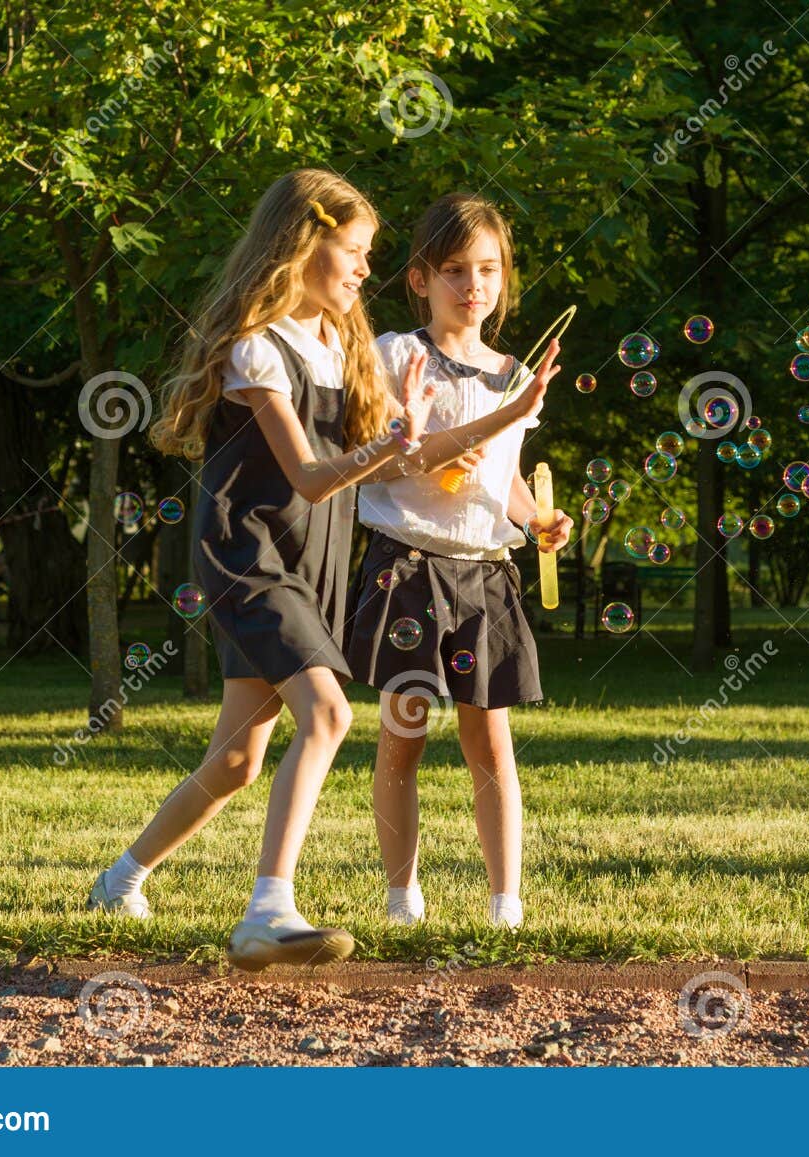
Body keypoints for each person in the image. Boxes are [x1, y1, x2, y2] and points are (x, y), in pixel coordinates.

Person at [87, 169, 552, 970]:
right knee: (330, 715)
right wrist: (395, 442)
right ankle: (268, 908)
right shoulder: (256, 349)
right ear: (302, 246)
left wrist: (426, 433)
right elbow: (311, 476)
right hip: (253, 557)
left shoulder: (339, 345)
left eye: (371, 254)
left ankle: (119, 880)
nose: (367, 269)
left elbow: (388, 465)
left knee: (235, 759)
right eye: (355, 251)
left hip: (317, 568)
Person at [348, 192, 572, 931]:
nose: (472, 285)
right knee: (402, 734)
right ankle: (401, 896)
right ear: (419, 278)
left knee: (491, 742)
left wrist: (537, 519)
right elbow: (387, 461)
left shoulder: (515, 376)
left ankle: (506, 905)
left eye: (487, 269)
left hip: (484, 573)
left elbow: (502, 477)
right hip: (410, 565)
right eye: (453, 270)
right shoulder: (397, 356)